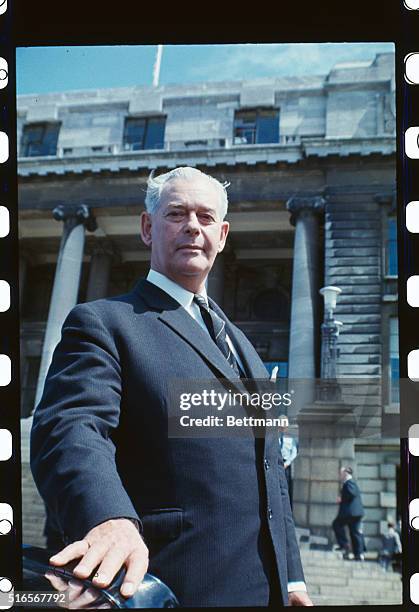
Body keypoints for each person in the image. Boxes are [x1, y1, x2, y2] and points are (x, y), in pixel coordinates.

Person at [30, 167, 313, 607]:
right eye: (176, 213)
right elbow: (69, 429)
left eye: (204, 217)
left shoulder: (245, 348)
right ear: (148, 227)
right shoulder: (104, 323)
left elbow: (270, 469)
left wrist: (291, 578)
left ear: (222, 235)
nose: (192, 227)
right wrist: (108, 516)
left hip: (263, 592)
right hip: (169, 586)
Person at [332, 466, 365, 561]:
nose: (340, 475)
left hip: (352, 513)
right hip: (351, 514)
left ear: (345, 473)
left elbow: (352, 493)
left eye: (341, 473)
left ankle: (345, 545)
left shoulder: (349, 482)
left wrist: (342, 498)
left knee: (337, 524)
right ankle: (357, 553)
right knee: (354, 533)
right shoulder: (347, 483)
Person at [279, 425, 298, 508]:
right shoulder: (274, 437)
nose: (282, 428)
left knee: (285, 487)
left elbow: (294, 453)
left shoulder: (291, 439)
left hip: (286, 465)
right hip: (276, 463)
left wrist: (287, 463)